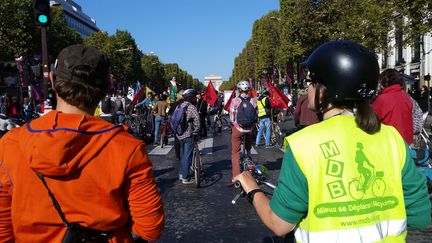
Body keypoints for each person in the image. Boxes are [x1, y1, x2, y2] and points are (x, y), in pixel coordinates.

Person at [234, 40, 430, 242]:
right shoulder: (391, 138)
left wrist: (251, 188)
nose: (307, 88)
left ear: (326, 89)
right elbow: (419, 216)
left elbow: (279, 224)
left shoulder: (303, 144)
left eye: (310, 82)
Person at [0, 44, 164, 242]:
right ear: (107, 88)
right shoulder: (128, 148)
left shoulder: (11, 143)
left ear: (52, 80)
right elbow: (150, 228)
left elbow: (3, 227)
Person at [372, 69, 414, 145]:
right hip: (406, 142)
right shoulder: (405, 97)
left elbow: (370, 120)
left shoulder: (383, 99)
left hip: (391, 143)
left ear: (382, 82)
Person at [228, 80, 257, 187]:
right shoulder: (254, 101)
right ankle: (249, 156)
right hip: (249, 129)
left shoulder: (235, 101)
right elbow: (256, 116)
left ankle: (236, 177)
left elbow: (231, 118)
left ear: (239, 90)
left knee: (235, 153)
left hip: (238, 129)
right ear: (248, 90)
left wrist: (235, 125)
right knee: (248, 140)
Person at [176, 89, 200, 184]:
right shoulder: (191, 107)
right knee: (187, 155)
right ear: (191, 98)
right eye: (194, 97)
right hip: (188, 134)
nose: (196, 99)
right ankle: (185, 178)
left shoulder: (179, 105)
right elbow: (197, 120)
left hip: (179, 134)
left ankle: (181, 173)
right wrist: (196, 131)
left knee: (184, 155)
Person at [168, 90, 185, 160]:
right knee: (186, 141)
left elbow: (169, 113)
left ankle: (178, 155)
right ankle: (185, 154)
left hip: (177, 125)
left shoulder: (175, 104)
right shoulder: (187, 103)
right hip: (186, 125)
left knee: (177, 141)